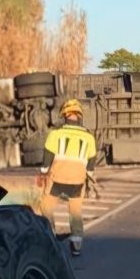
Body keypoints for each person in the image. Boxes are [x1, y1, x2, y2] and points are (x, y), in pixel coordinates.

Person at [37, 99, 98, 255]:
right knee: (75, 211)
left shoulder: (55, 134)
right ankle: (76, 245)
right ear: (80, 117)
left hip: (57, 179)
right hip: (77, 181)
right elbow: (91, 166)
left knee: (46, 205)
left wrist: (43, 173)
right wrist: (89, 181)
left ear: (64, 115)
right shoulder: (89, 138)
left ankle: (51, 237)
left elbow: (47, 158)